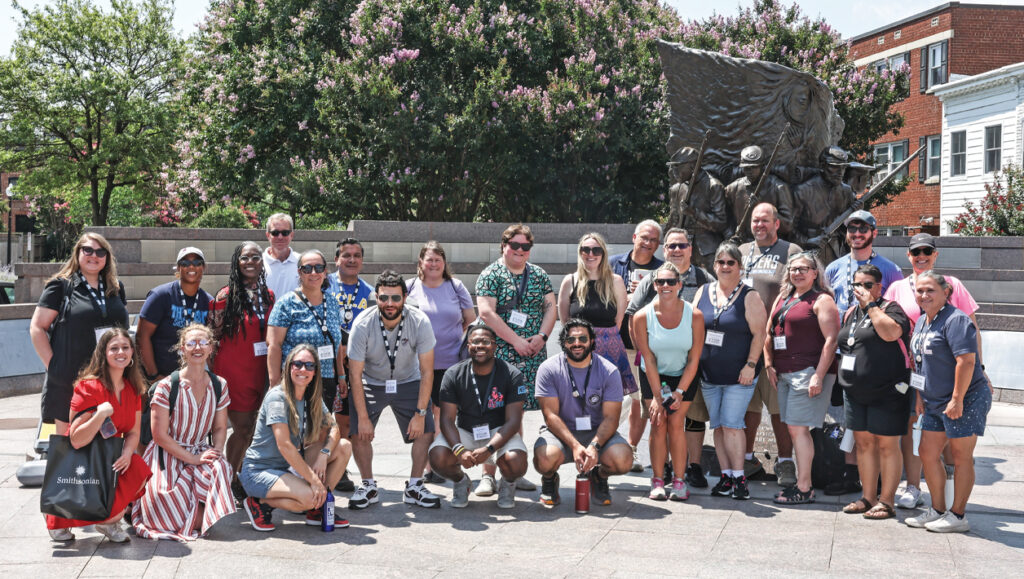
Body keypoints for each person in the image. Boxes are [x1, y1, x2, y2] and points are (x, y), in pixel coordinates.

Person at [883, 233, 984, 509]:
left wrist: (978, 370)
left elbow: (972, 334)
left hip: (952, 377)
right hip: (915, 375)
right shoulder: (899, 291)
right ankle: (917, 489)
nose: (921, 256)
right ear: (908, 256)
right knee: (917, 432)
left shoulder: (953, 288)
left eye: (927, 251)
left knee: (954, 440)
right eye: (916, 252)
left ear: (935, 255)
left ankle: (952, 499)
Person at [625, 227, 714, 486]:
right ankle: (661, 470)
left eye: (681, 245)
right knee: (659, 420)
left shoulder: (703, 278)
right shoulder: (651, 280)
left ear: (690, 249)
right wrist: (643, 347)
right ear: (664, 250)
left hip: (689, 364)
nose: (676, 250)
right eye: (672, 245)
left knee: (690, 419)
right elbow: (632, 314)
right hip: (655, 364)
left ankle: (690, 469)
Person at [44, 328, 151, 543]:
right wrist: (100, 415)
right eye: (114, 348)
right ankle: (59, 516)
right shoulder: (88, 387)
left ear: (132, 353)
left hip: (110, 455)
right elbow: (75, 439)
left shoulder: (133, 389)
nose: (120, 352)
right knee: (66, 523)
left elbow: (133, 432)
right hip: (83, 457)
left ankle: (108, 522)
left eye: (125, 347)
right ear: (103, 353)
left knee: (139, 468)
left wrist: (127, 454)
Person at [905, 272, 992, 533]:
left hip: (965, 398)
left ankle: (958, 515)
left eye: (930, 290)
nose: (924, 295)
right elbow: (918, 363)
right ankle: (937, 509)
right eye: (920, 290)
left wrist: (957, 399)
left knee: (960, 456)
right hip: (933, 400)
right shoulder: (922, 321)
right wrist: (919, 395)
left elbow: (966, 361)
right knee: (928, 453)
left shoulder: (956, 320)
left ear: (946, 293)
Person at [347, 270, 441, 509]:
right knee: (358, 430)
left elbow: (427, 371)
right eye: (384, 298)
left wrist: (420, 414)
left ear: (405, 297)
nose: (390, 303)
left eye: (396, 298)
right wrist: (363, 418)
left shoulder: (420, 321)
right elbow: (355, 375)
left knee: (425, 429)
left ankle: (415, 485)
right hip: (371, 381)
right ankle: (368, 485)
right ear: (376, 297)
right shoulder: (362, 324)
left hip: (409, 380)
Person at [133, 324, 235, 541]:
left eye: (203, 342)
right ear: (182, 349)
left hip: (200, 449)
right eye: (191, 343)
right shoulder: (167, 386)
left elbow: (219, 428)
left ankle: (194, 512)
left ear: (211, 348)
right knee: (163, 514)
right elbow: (159, 435)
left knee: (221, 468)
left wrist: (216, 452)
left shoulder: (219, 385)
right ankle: (189, 513)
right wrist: (193, 459)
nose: (197, 348)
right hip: (167, 454)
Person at [476, 223, 555, 494]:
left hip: (531, 352)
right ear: (504, 246)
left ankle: (513, 472)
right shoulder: (491, 274)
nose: (520, 250)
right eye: (515, 245)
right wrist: (516, 341)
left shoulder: (539, 275)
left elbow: (551, 308)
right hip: (499, 352)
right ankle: (487, 474)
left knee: (516, 410)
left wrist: (542, 336)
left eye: (526, 246)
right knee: (492, 410)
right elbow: (486, 313)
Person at [240, 345, 352, 531]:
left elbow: (334, 428)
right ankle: (259, 503)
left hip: (288, 466)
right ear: (288, 367)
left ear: (315, 371)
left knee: (344, 446)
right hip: (259, 471)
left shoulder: (311, 395)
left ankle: (318, 509)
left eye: (309, 365)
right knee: (309, 497)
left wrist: (324, 454)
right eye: (297, 364)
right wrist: (314, 481)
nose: (303, 369)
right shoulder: (277, 397)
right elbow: (284, 445)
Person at [30, 233, 129, 437]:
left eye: (100, 252)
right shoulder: (61, 286)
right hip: (70, 379)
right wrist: (54, 366)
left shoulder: (116, 288)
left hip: (109, 377)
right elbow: (37, 327)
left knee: (107, 445)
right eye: (88, 250)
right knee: (70, 445)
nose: (94, 256)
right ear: (78, 253)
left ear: (107, 257)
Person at [836, 265, 912, 520]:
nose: (862, 290)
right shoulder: (850, 312)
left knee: (887, 445)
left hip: (888, 390)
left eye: (868, 285)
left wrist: (870, 305)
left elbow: (890, 333)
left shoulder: (891, 308)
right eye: (857, 285)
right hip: (856, 391)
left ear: (880, 287)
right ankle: (868, 497)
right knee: (864, 444)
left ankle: (887, 501)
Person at [694, 243, 767, 500]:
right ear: (714, 265)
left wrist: (751, 365)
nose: (725, 267)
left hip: (740, 376)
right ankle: (725, 476)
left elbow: (760, 334)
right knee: (718, 426)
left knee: (732, 424)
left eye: (731, 262)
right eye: (721, 262)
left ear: (740, 266)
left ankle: (739, 478)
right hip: (708, 375)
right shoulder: (703, 291)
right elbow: (693, 326)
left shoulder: (750, 296)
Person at [428, 324, 529, 509]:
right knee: (437, 457)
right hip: (466, 430)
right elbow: (446, 420)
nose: (480, 346)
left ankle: (507, 484)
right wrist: (459, 450)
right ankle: (461, 482)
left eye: (486, 341)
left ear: (495, 345)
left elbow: (514, 421)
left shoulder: (512, 374)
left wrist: (489, 449)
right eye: (475, 342)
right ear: (468, 346)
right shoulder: (453, 374)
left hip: (498, 431)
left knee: (517, 462)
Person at [533, 319, 633, 506]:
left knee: (623, 460)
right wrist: (575, 445)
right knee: (544, 459)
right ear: (564, 343)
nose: (577, 343)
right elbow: (550, 416)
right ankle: (549, 479)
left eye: (582, 339)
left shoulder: (609, 371)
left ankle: (599, 476)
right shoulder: (548, 369)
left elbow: (611, 418)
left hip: (598, 433)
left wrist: (594, 446)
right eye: (571, 339)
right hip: (561, 433)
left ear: (592, 341)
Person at [766, 253, 839, 505]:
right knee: (793, 428)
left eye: (803, 269)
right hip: (784, 372)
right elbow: (769, 331)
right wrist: (768, 363)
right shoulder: (783, 297)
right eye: (793, 269)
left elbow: (831, 341)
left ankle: (804, 487)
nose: (797, 273)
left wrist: (818, 376)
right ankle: (802, 483)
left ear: (815, 273)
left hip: (808, 372)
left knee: (798, 429)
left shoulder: (822, 300)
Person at [632, 263, 705, 500]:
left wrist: (679, 392)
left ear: (679, 285)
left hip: (684, 375)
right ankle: (657, 480)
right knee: (658, 422)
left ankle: (679, 481)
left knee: (675, 423)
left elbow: (694, 358)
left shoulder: (694, 315)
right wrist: (657, 396)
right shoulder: (642, 316)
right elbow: (648, 358)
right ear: (654, 285)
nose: (665, 286)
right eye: (660, 282)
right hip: (654, 375)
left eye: (671, 282)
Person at [739, 203, 800, 485]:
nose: (759, 225)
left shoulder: (791, 251)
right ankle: (746, 460)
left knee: (778, 407)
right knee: (748, 406)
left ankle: (785, 462)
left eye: (765, 220)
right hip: (743, 342)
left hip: (776, 343)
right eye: (755, 221)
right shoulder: (741, 251)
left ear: (777, 223)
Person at [209, 242, 275, 502]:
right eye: (245, 258)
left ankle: (238, 476)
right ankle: (229, 479)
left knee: (253, 429)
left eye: (255, 257)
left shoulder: (269, 295)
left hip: (261, 371)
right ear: (237, 262)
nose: (250, 262)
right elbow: (212, 337)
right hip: (234, 371)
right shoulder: (226, 296)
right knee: (243, 428)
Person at [407, 241, 476, 484]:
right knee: (423, 415)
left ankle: (439, 464)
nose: (434, 264)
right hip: (418, 365)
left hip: (450, 363)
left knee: (442, 416)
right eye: (429, 259)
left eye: (438, 259)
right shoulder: (410, 287)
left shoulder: (455, 286)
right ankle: (427, 467)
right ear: (421, 262)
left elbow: (470, 320)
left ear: (444, 262)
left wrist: (451, 338)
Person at [611, 220, 664, 473]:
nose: (648, 243)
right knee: (608, 395)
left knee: (638, 399)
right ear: (634, 237)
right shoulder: (613, 264)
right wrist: (624, 295)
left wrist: (643, 294)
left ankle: (631, 449)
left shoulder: (662, 269)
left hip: (642, 344)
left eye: (653, 240)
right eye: (644, 237)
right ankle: (601, 442)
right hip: (611, 341)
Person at [266, 250, 345, 414]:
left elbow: (336, 343)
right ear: (299, 272)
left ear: (325, 272)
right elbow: (274, 345)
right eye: (307, 268)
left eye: (318, 268)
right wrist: (274, 384)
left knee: (321, 427)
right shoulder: (286, 303)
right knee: (296, 426)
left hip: (326, 380)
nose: (313, 273)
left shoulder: (332, 302)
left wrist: (341, 376)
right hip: (296, 379)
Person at [558, 233, 634, 397]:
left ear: (603, 253)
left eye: (596, 250)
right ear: (580, 252)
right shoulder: (570, 281)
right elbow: (565, 321)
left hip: (609, 349)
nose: (590, 254)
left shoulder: (616, 281)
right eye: (586, 249)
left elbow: (619, 320)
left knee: (608, 402)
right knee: (578, 399)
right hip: (578, 348)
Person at [326, 237, 375, 491]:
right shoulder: (323, 284)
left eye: (357, 256)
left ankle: (340, 468)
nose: (352, 260)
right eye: (346, 255)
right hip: (325, 361)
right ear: (337, 259)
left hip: (354, 363)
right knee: (323, 418)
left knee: (345, 420)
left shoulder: (369, 292)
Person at [138, 247, 213, 381]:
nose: (191, 266)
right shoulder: (160, 296)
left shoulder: (208, 301)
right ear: (178, 268)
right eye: (185, 263)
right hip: (162, 377)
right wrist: (154, 375)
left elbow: (211, 343)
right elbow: (142, 336)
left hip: (194, 379)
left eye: (197, 262)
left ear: (203, 267)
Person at [825, 210, 904, 315]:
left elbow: (900, 311)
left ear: (874, 233)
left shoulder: (892, 270)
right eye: (852, 229)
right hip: (840, 325)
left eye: (863, 229)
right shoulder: (833, 268)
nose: (857, 234)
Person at [666, 146, 727, 264]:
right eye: (672, 167)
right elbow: (673, 221)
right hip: (682, 251)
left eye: (677, 166)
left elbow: (721, 223)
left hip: (707, 252)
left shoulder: (713, 186)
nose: (673, 171)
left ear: (693, 166)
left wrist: (694, 213)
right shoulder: (677, 189)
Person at [791, 146, 859, 248]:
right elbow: (788, 229)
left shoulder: (846, 191)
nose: (840, 172)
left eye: (843, 167)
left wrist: (856, 214)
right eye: (835, 167)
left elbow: (849, 227)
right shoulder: (803, 191)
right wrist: (807, 241)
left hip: (836, 251)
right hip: (807, 251)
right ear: (822, 166)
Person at [724, 145, 796, 239]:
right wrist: (731, 235)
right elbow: (725, 221)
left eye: (754, 167)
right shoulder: (733, 189)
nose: (750, 171)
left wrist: (762, 207)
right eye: (746, 168)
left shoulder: (778, 188)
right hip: (743, 242)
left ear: (762, 167)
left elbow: (788, 225)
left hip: (771, 242)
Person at [262, 213, 300, 300]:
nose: (280, 237)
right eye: (275, 233)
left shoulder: (302, 261)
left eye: (285, 233)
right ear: (268, 235)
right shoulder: (258, 263)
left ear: (291, 235)